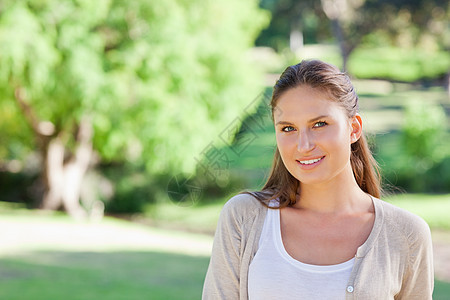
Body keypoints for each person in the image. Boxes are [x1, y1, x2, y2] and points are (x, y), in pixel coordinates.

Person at [202, 59, 434, 299]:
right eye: (288, 128)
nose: (303, 146)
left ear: (353, 129)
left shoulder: (406, 235)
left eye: (319, 124)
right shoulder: (244, 218)